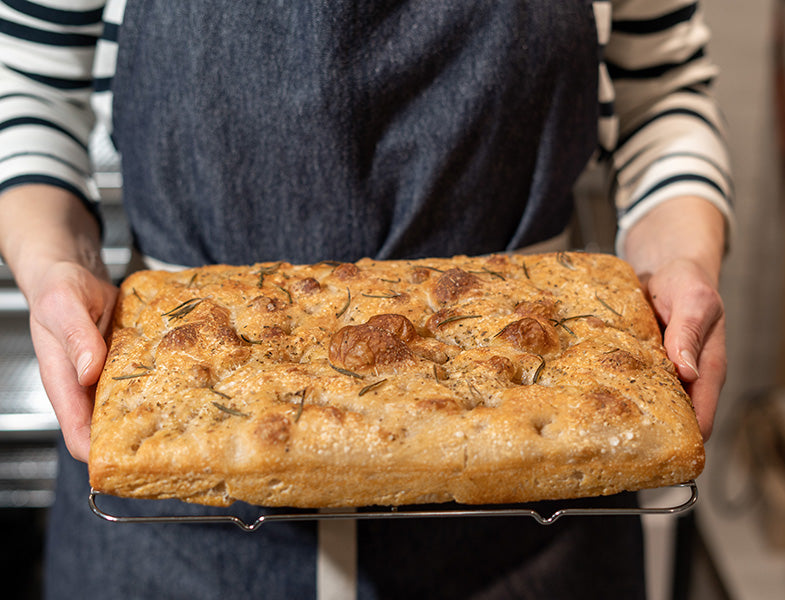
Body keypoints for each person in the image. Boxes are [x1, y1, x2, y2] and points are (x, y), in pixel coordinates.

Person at [0, 1, 731, 598]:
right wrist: (54, 262)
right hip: (174, 519)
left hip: (529, 518)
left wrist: (684, 260)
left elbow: (661, 90)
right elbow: (28, 86)